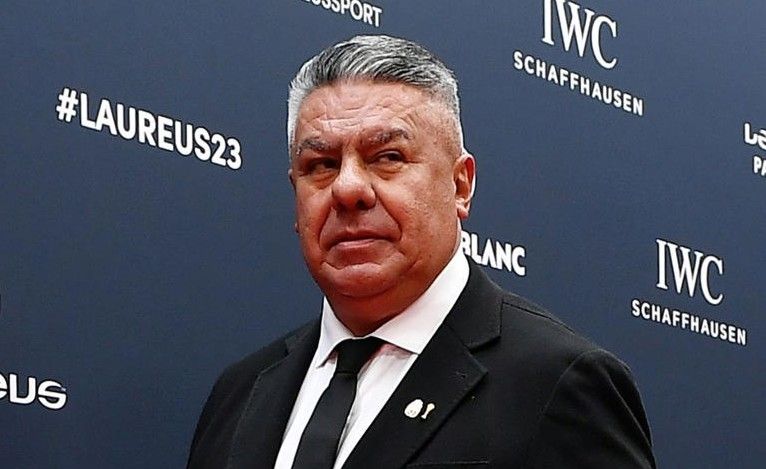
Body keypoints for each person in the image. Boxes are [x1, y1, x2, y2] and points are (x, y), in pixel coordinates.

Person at [186, 35, 656, 469]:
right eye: (322, 164)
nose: (348, 189)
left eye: (387, 157)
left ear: (460, 186)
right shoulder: (240, 393)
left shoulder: (557, 384)